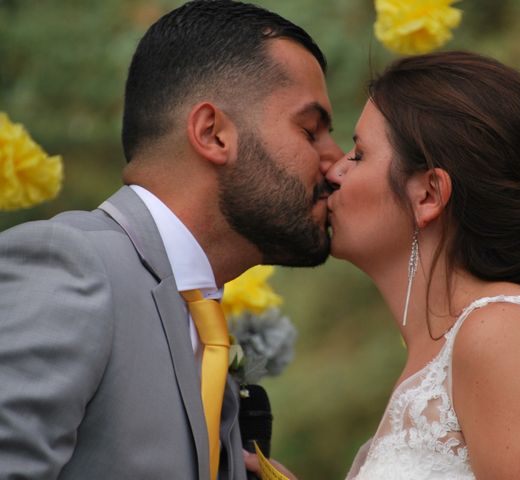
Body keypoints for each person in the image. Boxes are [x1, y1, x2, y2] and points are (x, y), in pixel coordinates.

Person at [247, 51, 520, 479]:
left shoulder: (503, 335)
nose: (335, 170)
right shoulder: (453, 346)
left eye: (359, 154)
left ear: (429, 195)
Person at [0, 1, 341, 479]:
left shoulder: (202, 316)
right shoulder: (67, 263)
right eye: (310, 131)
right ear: (213, 134)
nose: (337, 161)